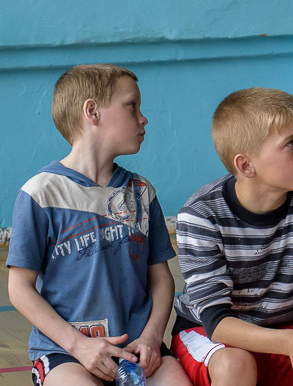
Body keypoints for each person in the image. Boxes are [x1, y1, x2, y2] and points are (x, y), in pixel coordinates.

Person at [6, 64, 190, 386]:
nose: (143, 118)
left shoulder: (141, 192)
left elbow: (161, 279)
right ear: (92, 112)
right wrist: (79, 345)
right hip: (67, 352)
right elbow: (19, 289)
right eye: (132, 106)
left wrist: (151, 337)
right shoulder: (41, 193)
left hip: (137, 349)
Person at [171, 88, 293, 386]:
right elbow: (216, 322)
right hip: (214, 336)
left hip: (291, 327)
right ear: (246, 165)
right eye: (291, 143)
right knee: (235, 365)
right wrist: (288, 343)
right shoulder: (201, 214)